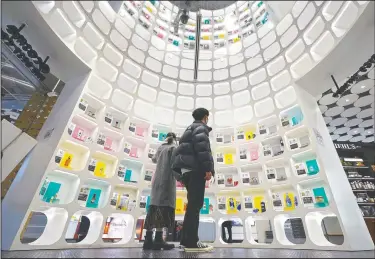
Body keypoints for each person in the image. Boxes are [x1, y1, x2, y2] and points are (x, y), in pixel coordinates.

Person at [172, 108, 215, 252]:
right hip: (196, 170)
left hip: (186, 171)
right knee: (195, 205)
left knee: (192, 205)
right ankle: (192, 242)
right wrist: (208, 169)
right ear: (205, 117)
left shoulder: (189, 128)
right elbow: (202, 149)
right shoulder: (200, 128)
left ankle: (186, 241)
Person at [143, 133, 178, 250]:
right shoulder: (173, 148)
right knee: (163, 210)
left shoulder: (161, 147)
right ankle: (158, 239)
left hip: (157, 181)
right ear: (175, 139)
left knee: (153, 209)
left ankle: (147, 240)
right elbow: (176, 164)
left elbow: (154, 160)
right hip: (167, 181)